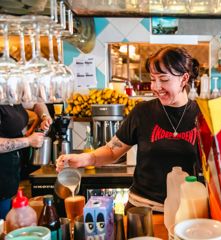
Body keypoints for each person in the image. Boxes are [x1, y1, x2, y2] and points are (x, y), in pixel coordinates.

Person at [56, 46, 200, 212]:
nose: (156, 86)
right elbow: (112, 151)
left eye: (163, 79)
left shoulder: (202, 116)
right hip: (142, 208)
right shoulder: (143, 112)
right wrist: (85, 159)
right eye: (153, 79)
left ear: (184, 79)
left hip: (189, 209)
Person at [0, 102, 52, 219]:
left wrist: (45, 116)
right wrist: (28, 141)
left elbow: (36, 103)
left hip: (8, 178)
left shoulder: (11, 94)